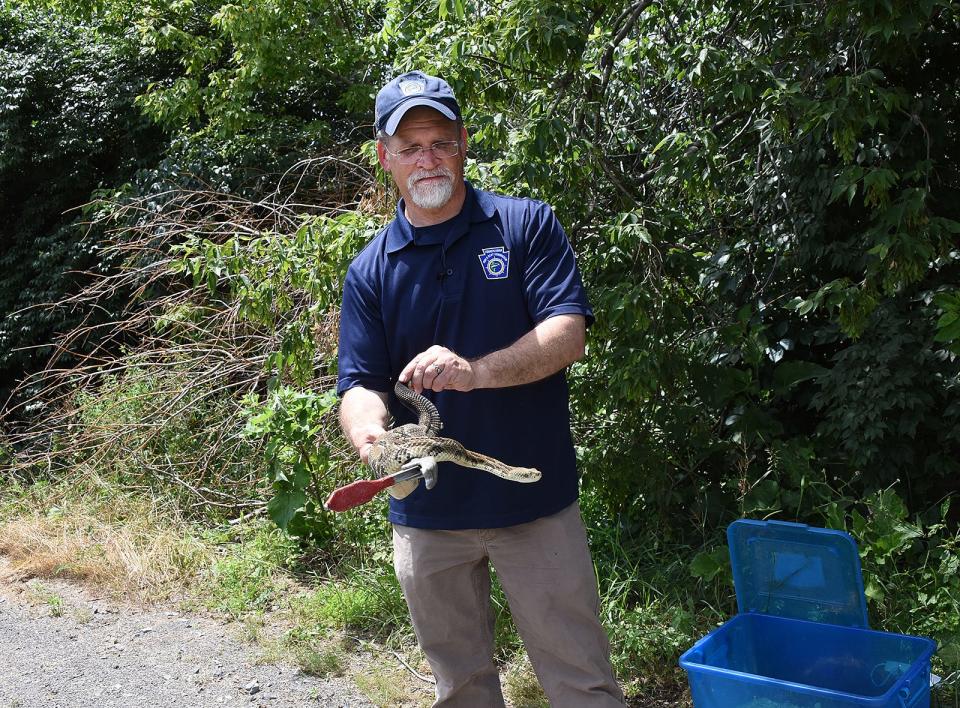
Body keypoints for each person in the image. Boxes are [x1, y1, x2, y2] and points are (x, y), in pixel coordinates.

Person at [337, 70, 625, 708]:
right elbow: (358, 384)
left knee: (582, 681)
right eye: (409, 147)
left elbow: (568, 332)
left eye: (439, 140)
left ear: (463, 143)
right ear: (385, 157)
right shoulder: (370, 270)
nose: (426, 159)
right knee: (459, 688)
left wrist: (476, 371)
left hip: (535, 504)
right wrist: (372, 441)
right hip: (428, 518)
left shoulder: (524, 225)